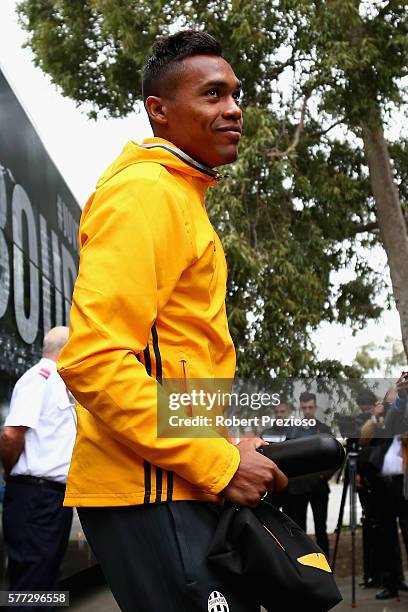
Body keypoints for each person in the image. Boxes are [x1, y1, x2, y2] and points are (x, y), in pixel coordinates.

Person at [57, 30, 287, 612]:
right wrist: (216, 461)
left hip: (173, 479)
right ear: (158, 110)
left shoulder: (180, 196)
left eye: (236, 94)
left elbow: (175, 361)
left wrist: (226, 441)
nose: (234, 108)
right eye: (212, 94)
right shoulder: (145, 193)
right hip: (151, 487)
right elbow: (93, 360)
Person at [0, 326, 75, 596]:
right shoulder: (38, 378)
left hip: (54, 498)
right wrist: (10, 471)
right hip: (34, 496)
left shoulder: (58, 382)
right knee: (30, 583)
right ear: (66, 349)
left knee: (47, 577)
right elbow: (11, 434)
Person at [360, 382, 408, 600]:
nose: (394, 397)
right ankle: (392, 582)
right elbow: (363, 438)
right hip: (383, 486)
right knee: (387, 537)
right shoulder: (379, 422)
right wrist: (374, 416)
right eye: (392, 394)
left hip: (403, 484)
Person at [282, 391, 332, 556]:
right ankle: (303, 567)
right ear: (300, 407)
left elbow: (333, 456)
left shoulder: (324, 429)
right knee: (299, 529)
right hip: (298, 488)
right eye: (304, 407)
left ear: (315, 407)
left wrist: (324, 475)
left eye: (310, 407)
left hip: (318, 486)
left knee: (321, 529)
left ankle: (325, 566)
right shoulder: (293, 430)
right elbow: (288, 455)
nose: (307, 410)